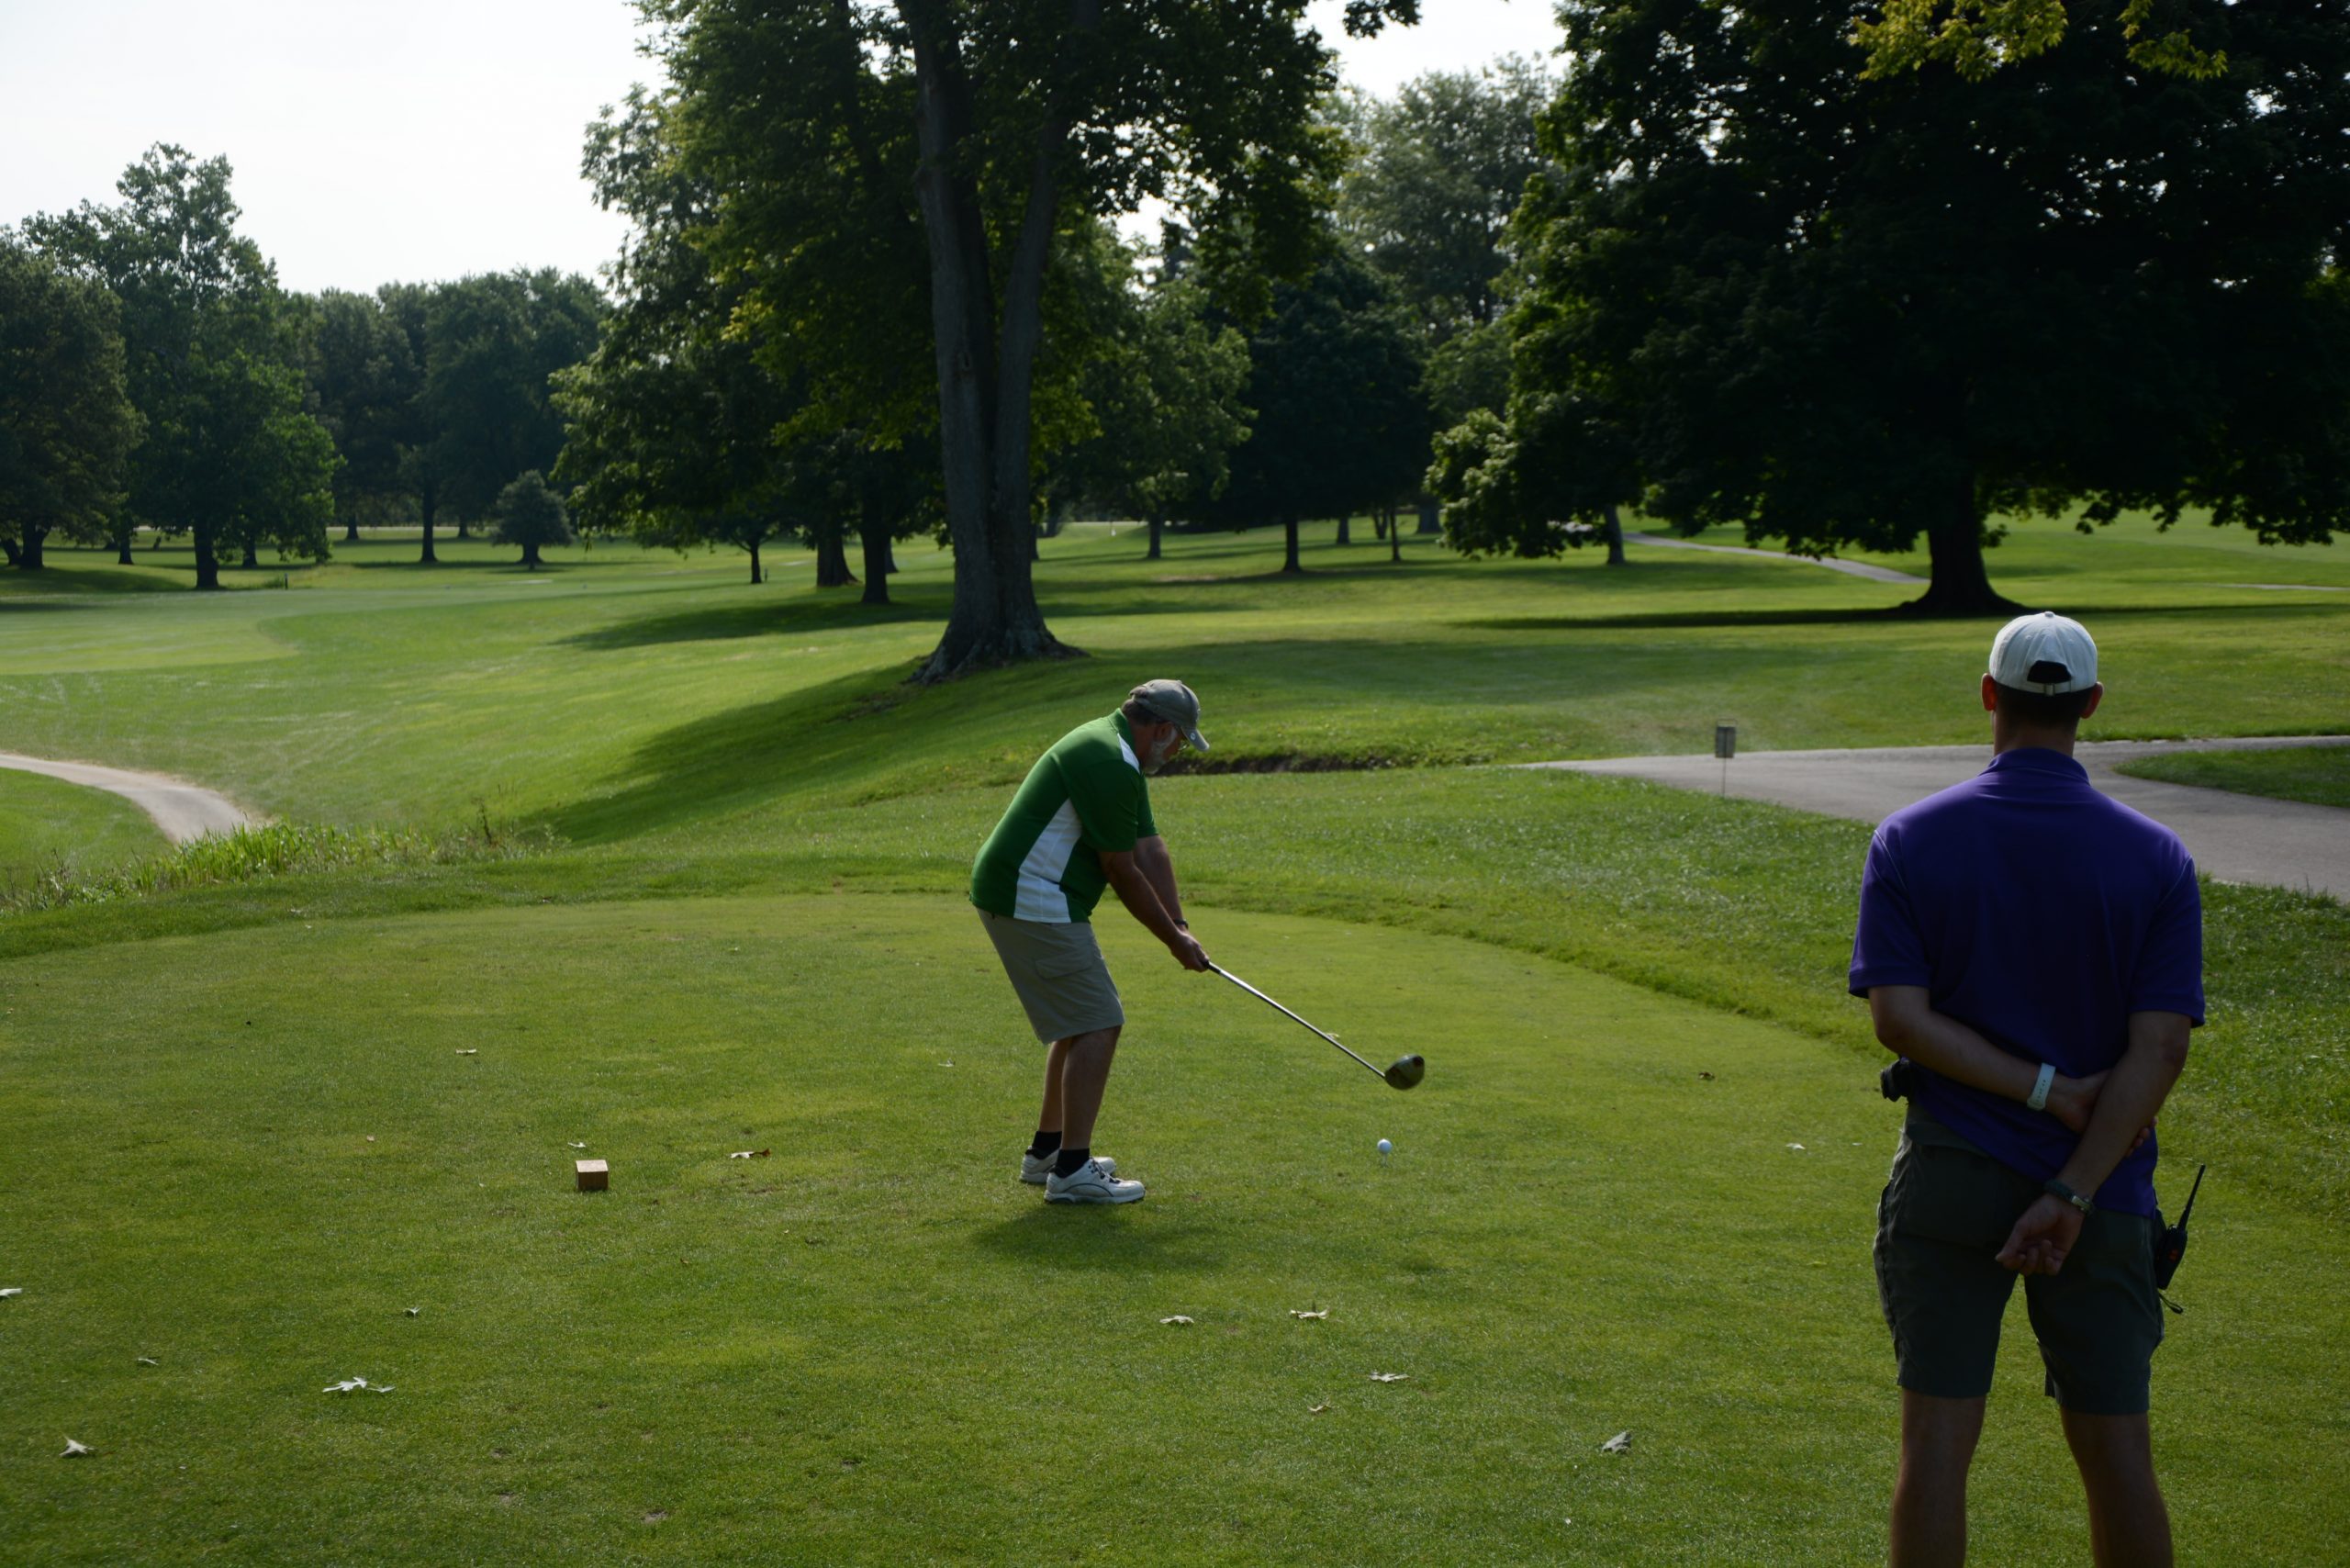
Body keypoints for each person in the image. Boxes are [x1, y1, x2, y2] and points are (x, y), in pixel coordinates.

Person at [1850, 612, 2202, 1568]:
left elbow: (1899, 1020)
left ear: (1988, 696)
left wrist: (2045, 1090)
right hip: (2104, 1191)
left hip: (1952, 1172)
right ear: (2090, 705)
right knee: (2117, 1455)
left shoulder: (1911, 838)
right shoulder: (2156, 856)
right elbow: (2161, 1048)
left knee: (1935, 1447)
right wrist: (2072, 1188)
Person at [971, 679, 1212, 1204]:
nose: (1179, 751)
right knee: (1100, 1021)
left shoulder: (1119, 751)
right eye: (1179, 740)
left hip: (1028, 893)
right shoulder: (1109, 759)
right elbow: (1121, 870)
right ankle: (1072, 1171)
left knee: (1079, 1023)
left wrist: (1180, 924)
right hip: (1031, 896)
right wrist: (1172, 942)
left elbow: (1149, 849)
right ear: (1161, 729)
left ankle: (1049, 1153)